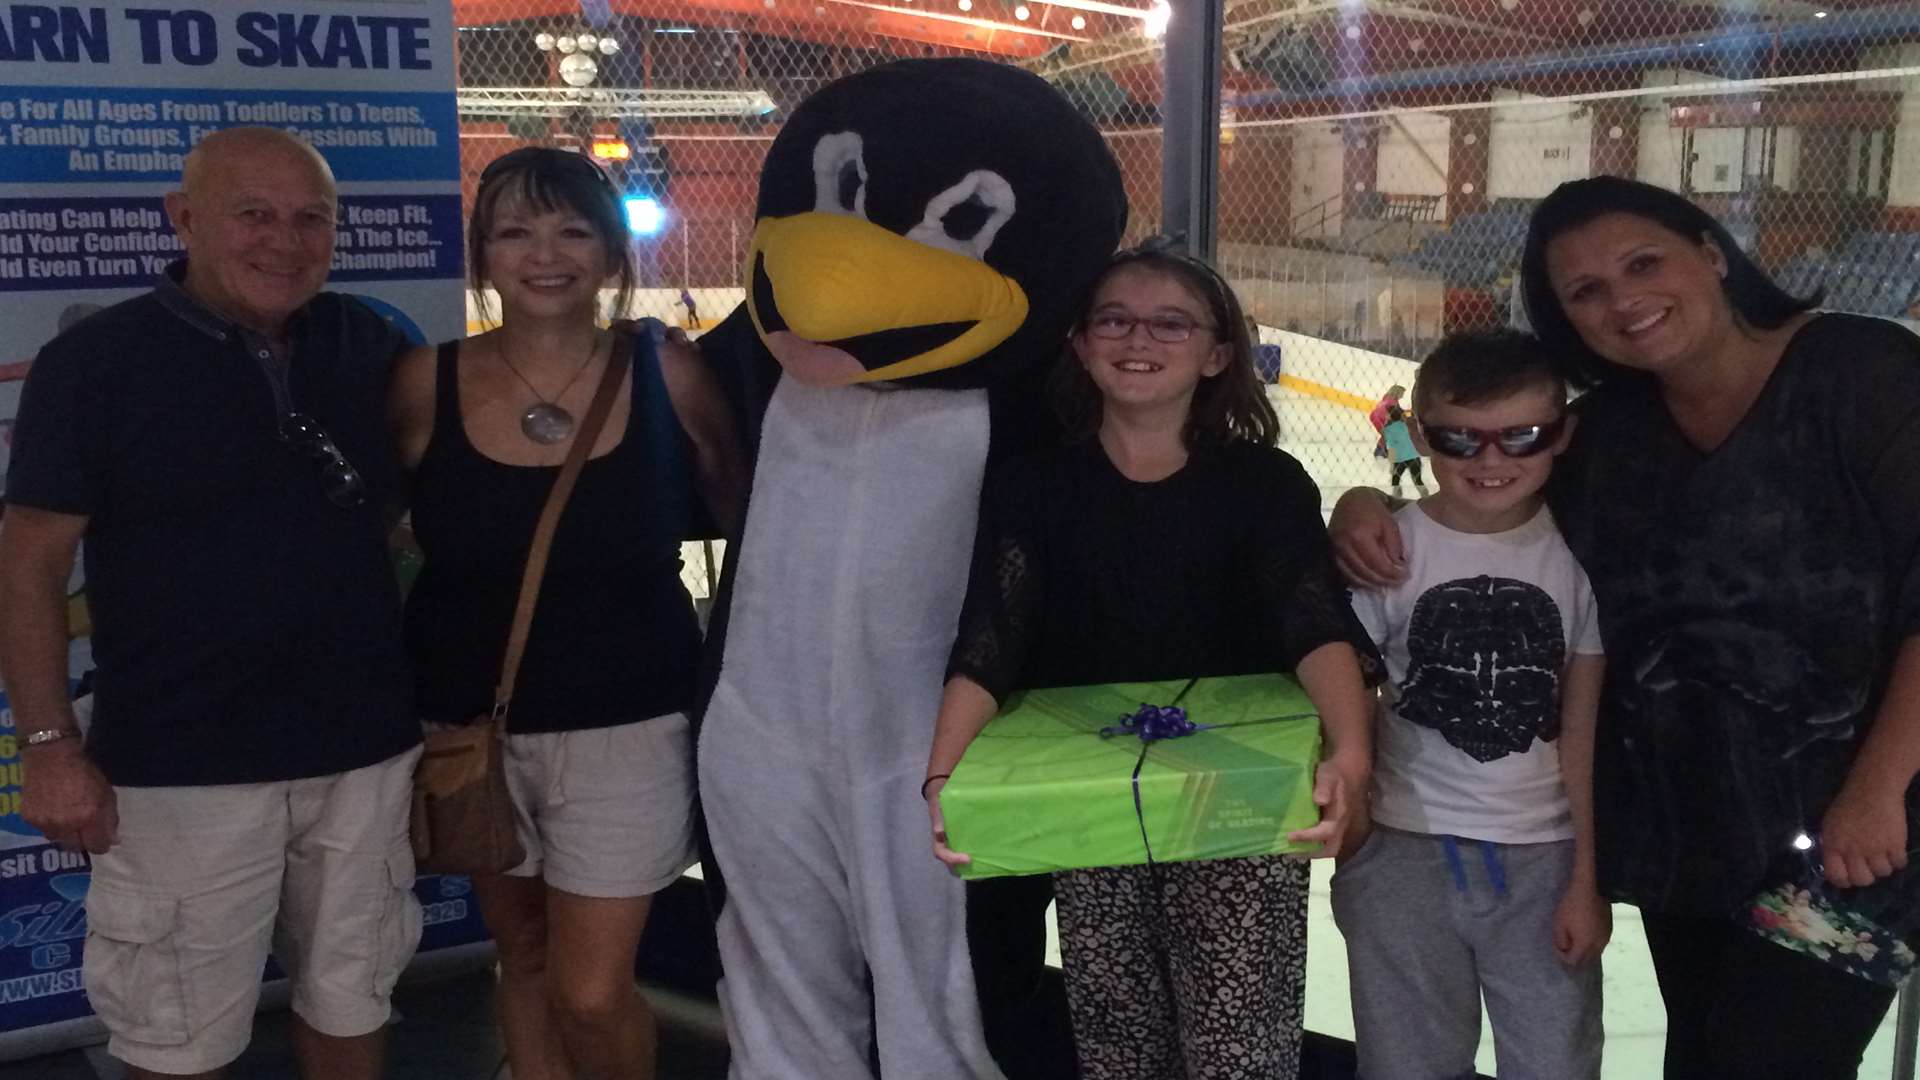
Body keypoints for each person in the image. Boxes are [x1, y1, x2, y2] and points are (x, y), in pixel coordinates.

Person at [1330, 175, 1920, 1080]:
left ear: (1712, 254)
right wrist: (1367, 499)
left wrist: (1880, 789)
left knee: (1770, 1058)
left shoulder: (1864, 373)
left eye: (1643, 263)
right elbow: (1484, 505)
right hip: (1689, 822)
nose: (1624, 299)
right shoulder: (1608, 431)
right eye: (1586, 291)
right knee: (1703, 1054)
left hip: (1855, 823)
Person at [0, 127, 422, 1080]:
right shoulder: (96, 365)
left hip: (364, 752)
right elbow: (27, 566)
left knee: (355, 998)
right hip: (179, 770)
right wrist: (51, 749)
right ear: (184, 218)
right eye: (254, 214)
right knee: (175, 1040)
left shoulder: (371, 341)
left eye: (313, 217)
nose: (286, 239)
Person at [924, 244, 1375, 1080]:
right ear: (1083, 343)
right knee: (1118, 1046)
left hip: (1233, 803)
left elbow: (1313, 624)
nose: (1141, 338)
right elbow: (992, 639)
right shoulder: (1034, 487)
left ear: (1217, 354)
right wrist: (942, 775)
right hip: (1092, 801)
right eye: (1116, 319)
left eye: (1172, 322)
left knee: (1237, 1053)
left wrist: (1351, 751)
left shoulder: (1265, 484)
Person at [388, 146, 745, 1080]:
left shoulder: (669, 375)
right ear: (482, 254)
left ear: (612, 254)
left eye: (572, 229)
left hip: (629, 722)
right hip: (473, 731)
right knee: (527, 953)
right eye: (515, 230)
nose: (544, 252)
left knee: (592, 987)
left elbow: (752, 523)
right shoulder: (429, 381)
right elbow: (368, 541)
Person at [1332, 330, 1607, 1080]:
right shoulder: (1388, 551)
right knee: (1405, 1064)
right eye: (1461, 439)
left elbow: (1581, 720)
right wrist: (1357, 836)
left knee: (1555, 1062)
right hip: (1400, 849)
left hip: (1544, 860)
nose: (1492, 462)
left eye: (1523, 438)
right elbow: (1346, 695)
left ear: (1563, 434)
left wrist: (1587, 874)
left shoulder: (1582, 558)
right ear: (1419, 434)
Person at [1380, 403, 1427, 496]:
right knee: (1417, 480)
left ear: (1390, 415)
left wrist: (1392, 464)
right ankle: (1424, 494)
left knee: (1395, 480)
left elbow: (1391, 447)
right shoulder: (1408, 425)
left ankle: (1397, 496)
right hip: (1414, 457)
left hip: (1399, 459)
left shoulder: (1388, 429)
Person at [1368, 383, 1406, 458]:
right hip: (1379, 419)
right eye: (1402, 393)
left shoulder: (1388, 398)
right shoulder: (1392, 402)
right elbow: (1398, 414)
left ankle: (1381, 450)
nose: (1403, 395)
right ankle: (1389, 454)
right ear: (1397, 393)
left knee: (1388, 434)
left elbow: (1399, 411)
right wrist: (1409, 415)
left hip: (1376, 416)